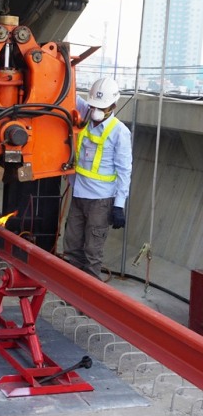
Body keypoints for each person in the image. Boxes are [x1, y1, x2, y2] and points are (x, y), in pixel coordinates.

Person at [63, 77, 133, 279]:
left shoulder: (120, 132)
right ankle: (72, 293)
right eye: (93, 105)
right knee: (72, 246)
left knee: (92, 253)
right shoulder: (85, 113)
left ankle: (89, 302)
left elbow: (124, 170)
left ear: (114, 105)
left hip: (101, 202)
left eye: (101, 107)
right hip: (78, 195)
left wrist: (119, 205)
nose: (96, 111)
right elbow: (67, 90)